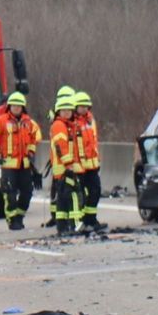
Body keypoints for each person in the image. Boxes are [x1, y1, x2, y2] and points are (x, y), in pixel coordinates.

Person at [0, 91, 41, 230]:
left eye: (19, 106)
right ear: (9, 106)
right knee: (9, 194)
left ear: (23, 107)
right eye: (14, 106)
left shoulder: (29, 122)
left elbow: (37, 135)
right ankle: (12, 220)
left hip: (24, 164)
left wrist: (31, 151)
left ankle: (19, 216)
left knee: (27, 192)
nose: (16, 108)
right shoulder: (2, 121)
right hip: (8, 165)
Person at [49, 96, 85, 235]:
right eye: (63, 110)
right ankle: (75, 224)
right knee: (74, 195)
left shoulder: (69, 125)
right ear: (58, 111)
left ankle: (62, 226)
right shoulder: (59, 125)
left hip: (63, 169)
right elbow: (61, 147)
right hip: (65, 168)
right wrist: (69, 165)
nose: (67, 112)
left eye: (69, 110)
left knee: (63, 199)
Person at [75, 91, 105, 232]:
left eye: (86, 106)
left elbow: (93, 142)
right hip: (79, 167)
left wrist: (97, 160)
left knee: (95, 191)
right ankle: (82, 221)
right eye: (81, 106)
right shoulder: (72, 123)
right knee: (81, 195)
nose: (84, 109)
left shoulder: (91, 120)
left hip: (92, 165)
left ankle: (91, 219)